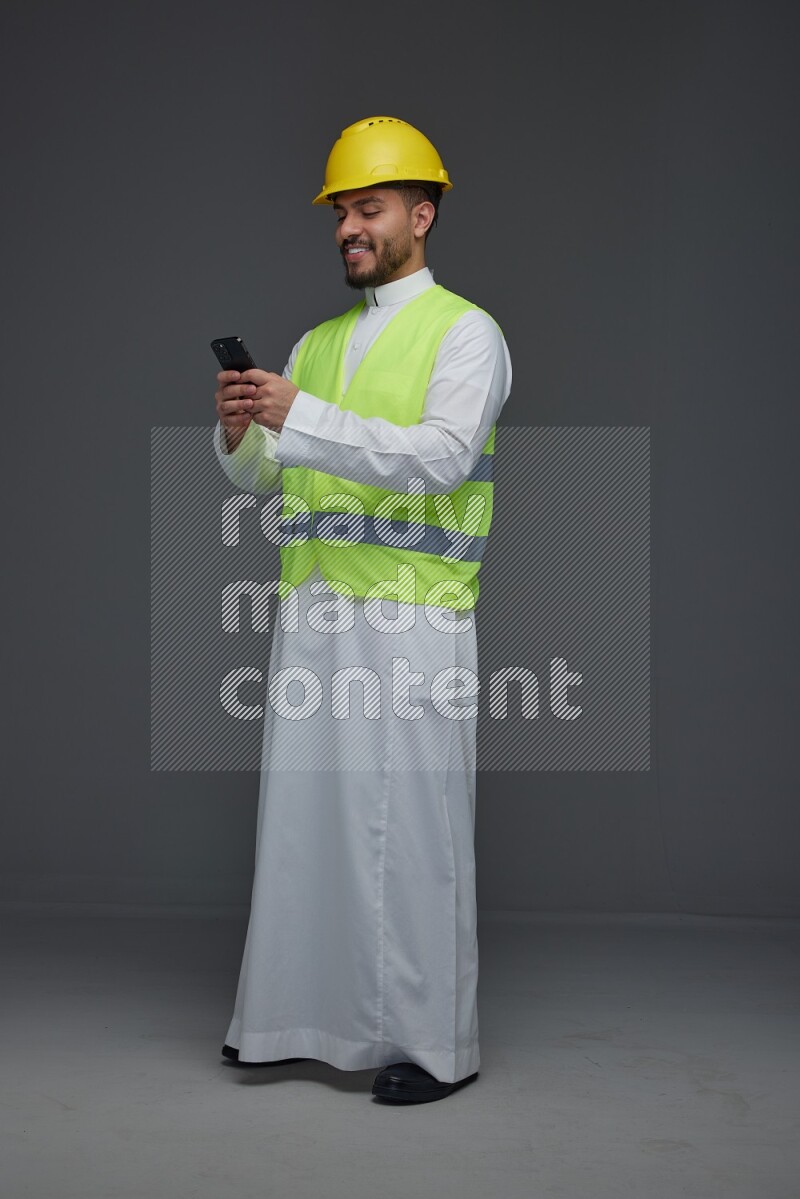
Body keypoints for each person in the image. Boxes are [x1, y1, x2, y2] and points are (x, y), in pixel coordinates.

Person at [212, 115, 512, 1104]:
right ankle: (282, 1023)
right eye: (340, 212)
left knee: (411, 836)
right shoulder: (317, 342)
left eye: (369, 208)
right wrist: (243, 431)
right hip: (314, 616)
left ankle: (435, 1047)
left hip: (413, 621)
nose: (348, 227)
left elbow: (442, 459)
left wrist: (298, 415)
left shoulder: (465, 332)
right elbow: (269, 478)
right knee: (305, 831)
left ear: (421, 215)